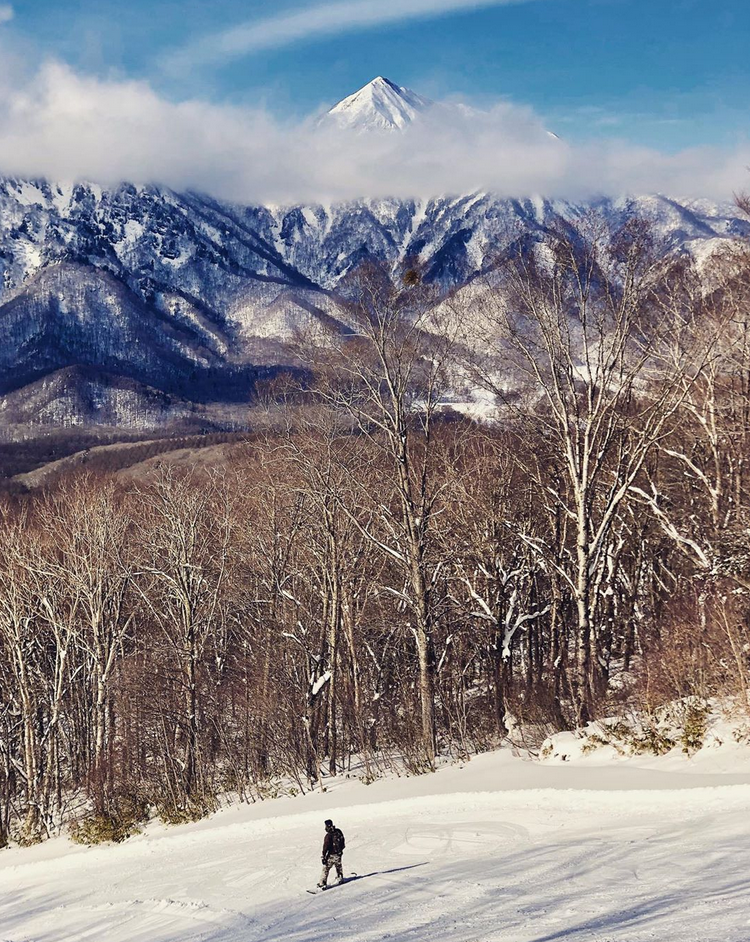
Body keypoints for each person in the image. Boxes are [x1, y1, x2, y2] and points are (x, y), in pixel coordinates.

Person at [318, 819, 346, 888]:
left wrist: (323, 857)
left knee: (326, 869)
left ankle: (322, 884)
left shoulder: (328, 836)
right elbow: (343, 842)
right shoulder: (338, 831)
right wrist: (340, 851)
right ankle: (340, 878)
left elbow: (325, 847)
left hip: (331, 855)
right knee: (338, 867)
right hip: (338, 854)